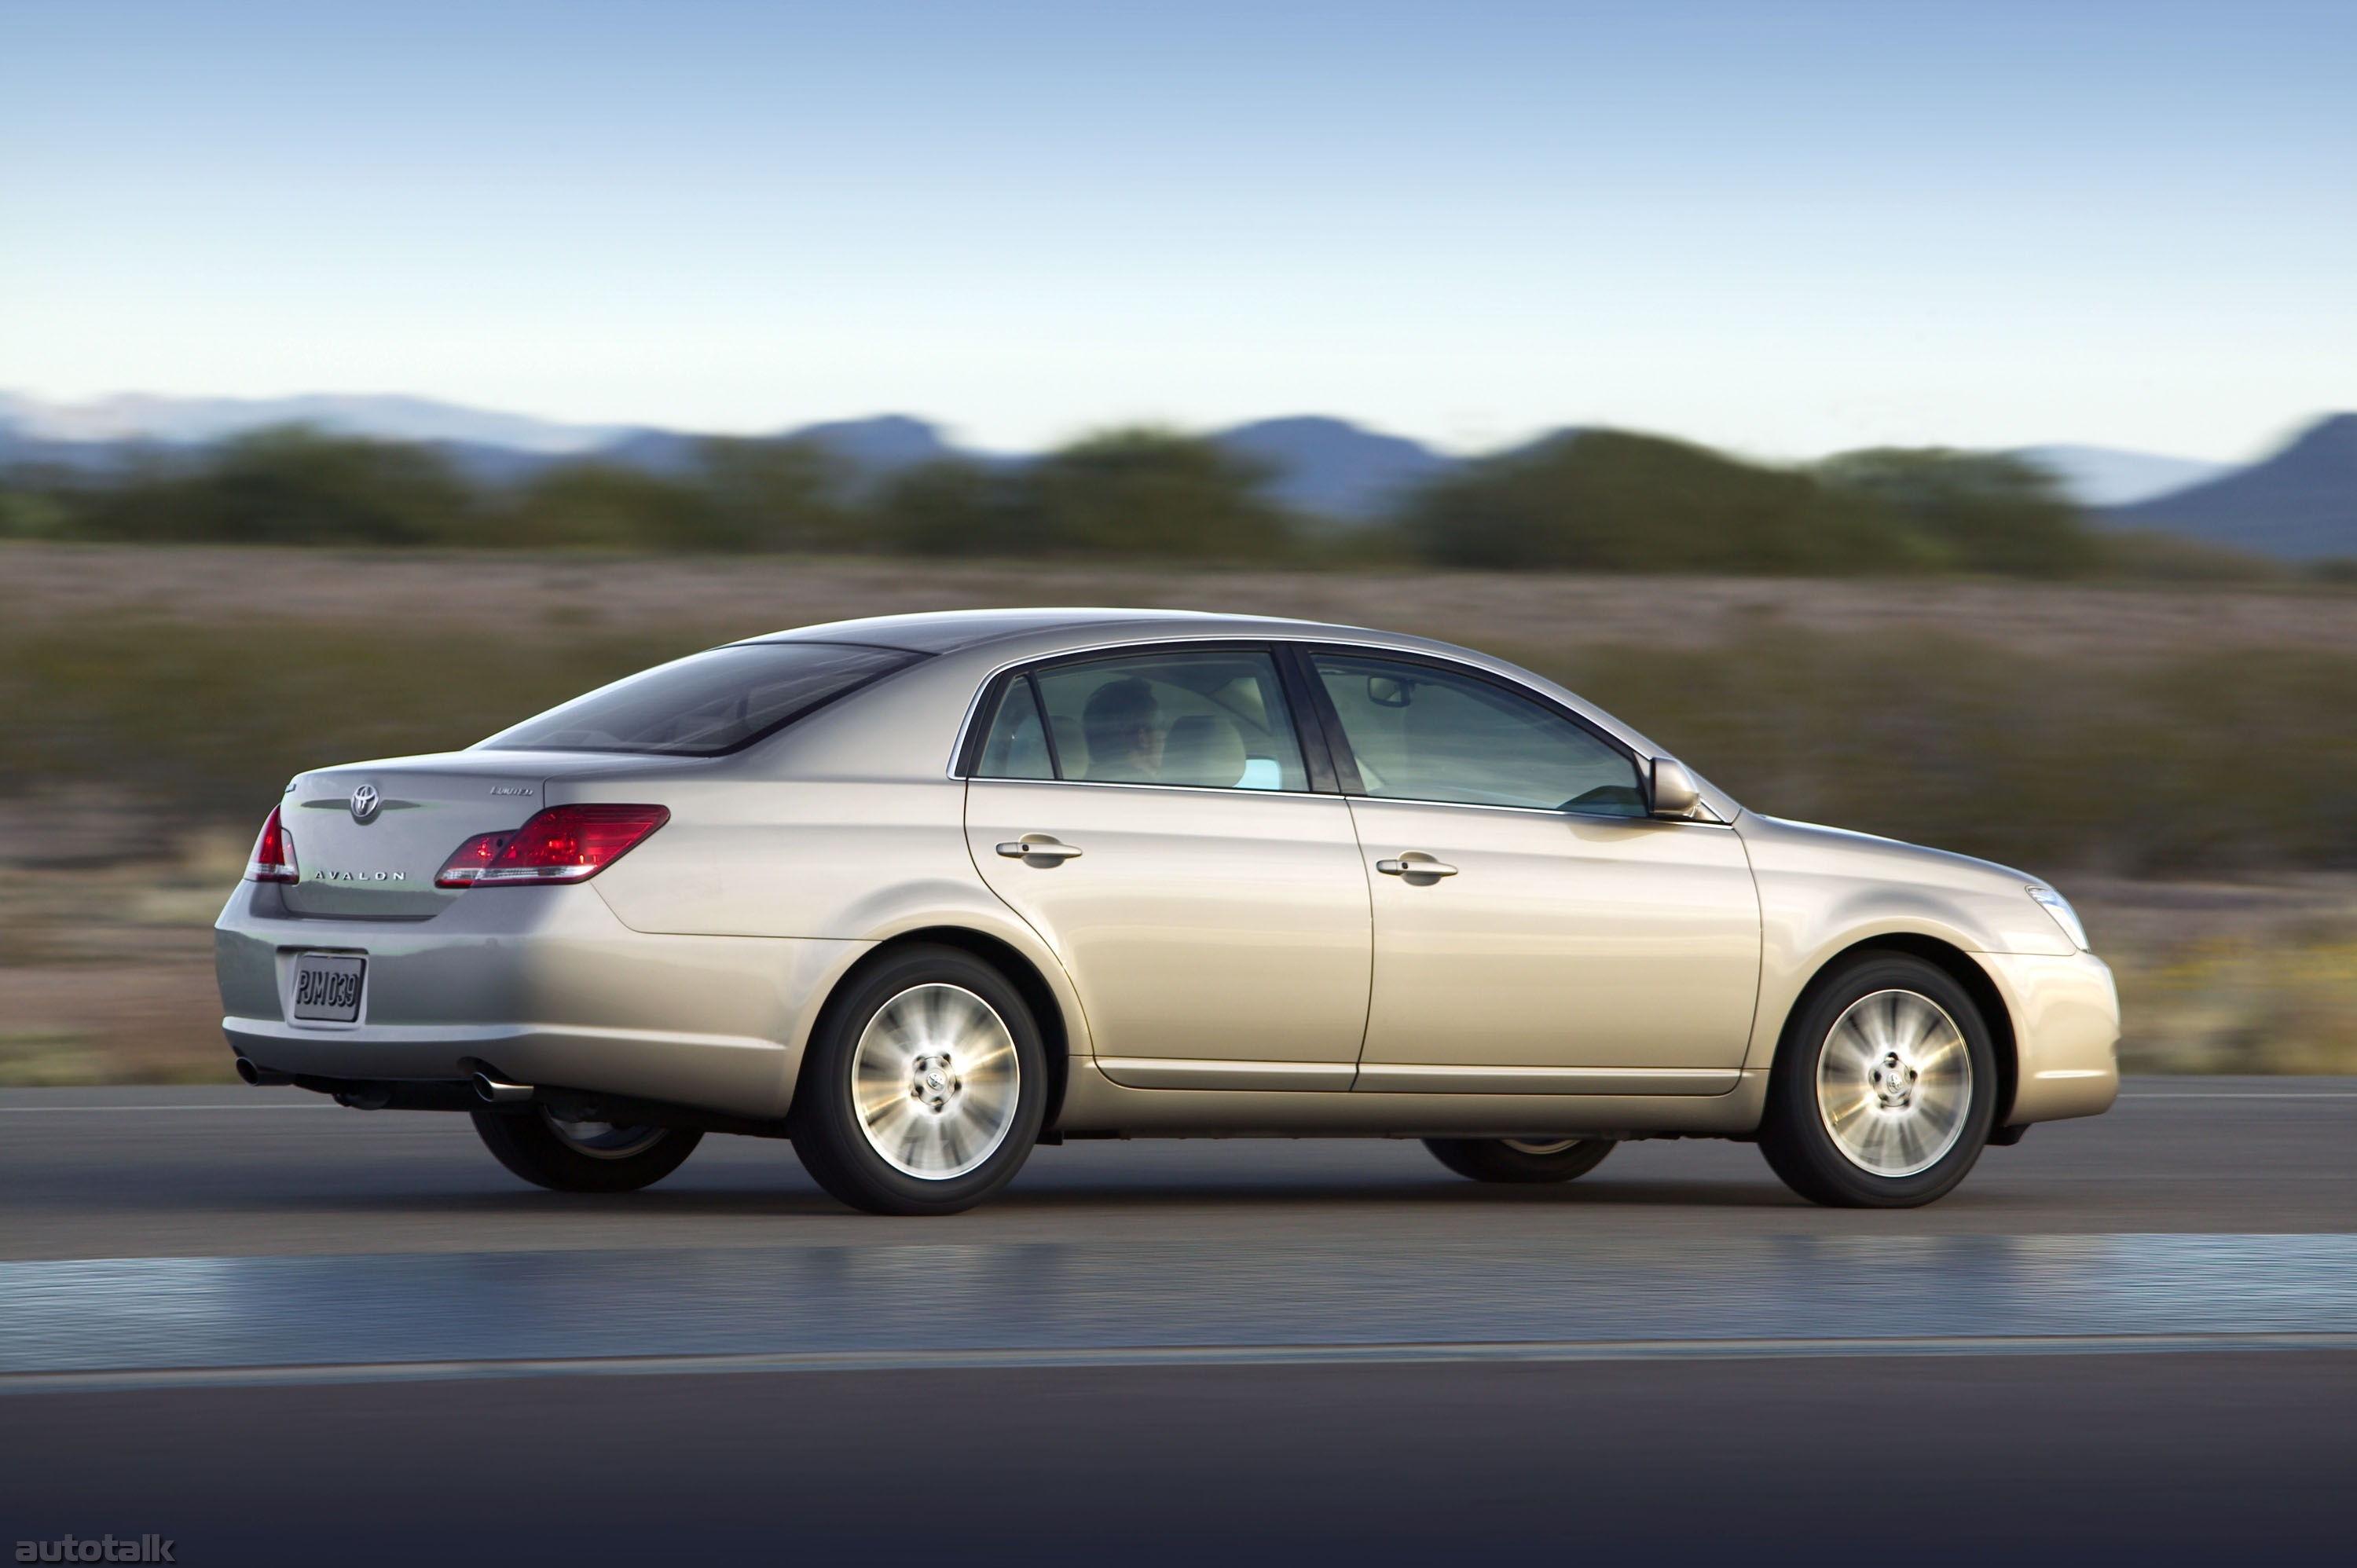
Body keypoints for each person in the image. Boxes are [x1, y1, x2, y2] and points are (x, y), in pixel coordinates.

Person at [1081, 676, 1165, 782]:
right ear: (1143, 738)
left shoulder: (1085, 784)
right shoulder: (1146, 791)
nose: (1165, 736)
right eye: (1160, 727)